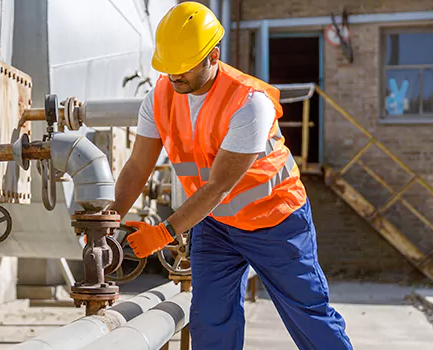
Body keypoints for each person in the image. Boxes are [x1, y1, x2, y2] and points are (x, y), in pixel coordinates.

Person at [110, 2, 353, 349]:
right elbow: (137, 167)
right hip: (218, 226)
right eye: (169, 68)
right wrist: (110, 221)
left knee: (309, 317)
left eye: (184, 67)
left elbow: (218, 186)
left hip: (276, 221)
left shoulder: (249, 102)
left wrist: (164, 232)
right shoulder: (159, 97)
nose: (175, 76)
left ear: (213, 55)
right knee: (211, 320)